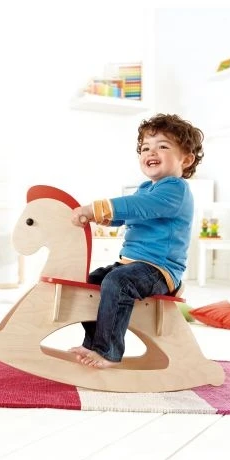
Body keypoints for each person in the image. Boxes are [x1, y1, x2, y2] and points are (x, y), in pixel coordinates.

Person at [69, 113, 204, 368]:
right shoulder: (145, 188)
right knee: (90, 282)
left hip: (159, 269)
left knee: (117, 282)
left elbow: (140, 206)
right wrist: (103, 218)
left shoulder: (175, 188)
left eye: (162, 146)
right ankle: (93, 342)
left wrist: (96, 208)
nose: (151, 152)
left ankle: (108, 351)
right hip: (131, 265)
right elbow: (130, 214)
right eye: (145, 148)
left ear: (186, 159)